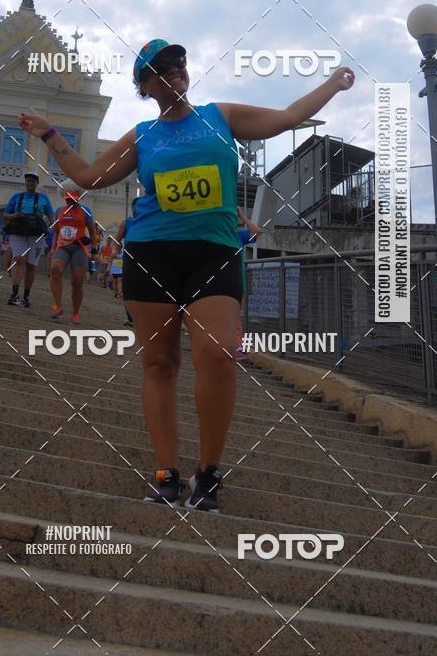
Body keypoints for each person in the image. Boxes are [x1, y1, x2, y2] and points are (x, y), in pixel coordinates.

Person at [18, 39, 355, 512]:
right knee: (159, 364)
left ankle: (209, 473)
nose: (174, 68)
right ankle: (166, 474)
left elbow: (287, 118)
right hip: (152, 255)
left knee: (217, 354)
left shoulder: (220, 116)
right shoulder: (142, 136)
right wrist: (49, 135)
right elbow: (89, 176)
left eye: (178, 61)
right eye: (160, 67)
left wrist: (331, 84)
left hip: (213, 254)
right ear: (144, 85)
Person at [3, 171, 54, 307]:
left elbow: (51, 215)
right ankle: (14, 294)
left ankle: (26, 296)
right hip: (18, 232)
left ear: (37, 183)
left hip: (36, 234)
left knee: (31, 265)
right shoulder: (16, 197)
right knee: (19, 259)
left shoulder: (43, 198)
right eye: (28, 181)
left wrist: (53, 230)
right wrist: (15, 216)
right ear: (25, 182)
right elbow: (5, 215)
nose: (30, 183)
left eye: (33, 181)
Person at [50, 182, 97, 323]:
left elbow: (92, 231)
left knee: (77, 280)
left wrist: (94, 250)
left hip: (79, 247)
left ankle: (76, 312)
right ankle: (58, 307)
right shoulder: (59, 211)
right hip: (63, 246)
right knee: (55, 269)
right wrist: (53, 248)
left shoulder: (85, 211)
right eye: (67, 199)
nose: (70, 201)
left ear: (78, 197)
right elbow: (56, 231)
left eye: (72, 199)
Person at [235, 207, 263, 359]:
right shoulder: (215, 235)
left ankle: (239, 347)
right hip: (220, 280)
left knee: (237, 316)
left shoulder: (238, 235)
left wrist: (243, 217)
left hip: (238, 280)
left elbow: (257, 231)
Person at [115, 198, 139, 326]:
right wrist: (115, 250)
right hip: (129, 258)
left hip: (145, 260)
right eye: (135, 207)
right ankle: (131, 317)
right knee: (127, 288)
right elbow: (117, 239)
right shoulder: (127, 223)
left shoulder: (148, 222)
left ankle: (138, 317)